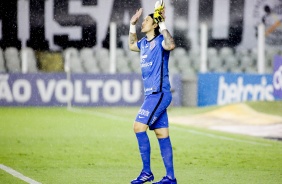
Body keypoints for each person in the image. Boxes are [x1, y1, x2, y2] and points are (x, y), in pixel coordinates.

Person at [128, 2, 177, 184]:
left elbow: (171, 45)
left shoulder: (160, 42)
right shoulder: (144, 43)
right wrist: (132, 24)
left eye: (146, 20)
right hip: (152, 95)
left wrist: (163, 22)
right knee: (161, 134)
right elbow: (132, 45)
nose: (143, 23)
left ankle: (146, 172)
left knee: (138, 127)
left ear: (154, 24)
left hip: (159, 94)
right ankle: (170, 177)